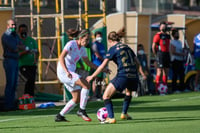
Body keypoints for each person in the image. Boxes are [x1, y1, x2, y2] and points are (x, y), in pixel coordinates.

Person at [87, 31, 146, 124]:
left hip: (123, 75)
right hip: (133, 75)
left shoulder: (113, 49)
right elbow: (137, 62)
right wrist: (141, 73)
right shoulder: (127, 47)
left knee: (106, 96)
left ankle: (111, 117)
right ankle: (124, 113)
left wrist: (92, 76)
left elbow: (102, 65)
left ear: (110, 40)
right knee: (128, 92)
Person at [55, 29, 108, 122]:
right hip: (64, 72)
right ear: (80, 38)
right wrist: (67, 71)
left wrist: (102, 68)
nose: (87, 42)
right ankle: (81, 110)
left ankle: (60, 116)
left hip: (70, 73)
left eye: (88, 40)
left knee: (76, 98)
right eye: (86, 39)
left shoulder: (83, 49)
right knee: (86, 85)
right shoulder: (71, 44)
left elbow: (88, 62)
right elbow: (61, 57)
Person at [1, 19, 28, 111]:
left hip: (15, 60)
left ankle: (12, 104)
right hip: (9, 60)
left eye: (14, 25)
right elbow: (15, 48)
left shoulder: (15, 35)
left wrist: (20, 47)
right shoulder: (6, 36)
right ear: (8, 26)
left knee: (14, 84)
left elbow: (22, 45)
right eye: (12, 25)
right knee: (10, 83)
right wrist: (20, 47)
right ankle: (8, 105)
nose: (14, 27)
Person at [18, 24, 39, 96]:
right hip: (23, 65)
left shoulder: (31, 40)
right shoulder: (18, 41)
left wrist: (35, 61)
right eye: (21, 31)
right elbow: (17, 55)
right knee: (28, 79)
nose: (23, 32)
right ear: (19, 32)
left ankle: (31, 97)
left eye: (24, 31)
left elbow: (36, 51)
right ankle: (26, 95)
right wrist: (24, 52)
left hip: (32, 65)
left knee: (32, 80)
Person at [152, 21, 171, 92]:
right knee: (159, 71)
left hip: (167, 54)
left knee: (166, 71)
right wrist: (156, 54)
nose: (163, 27)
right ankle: (157, 88)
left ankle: (164, 87)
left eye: (165, 26)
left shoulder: (167, 35)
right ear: (160, 27)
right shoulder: (158, 35)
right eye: (162, 26)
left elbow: (168, 46)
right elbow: (153, 46)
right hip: (160, 54)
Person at [170, 29, 187, 93]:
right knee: (175, 75)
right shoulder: (172, 42)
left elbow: (181, 49)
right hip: (175, 60)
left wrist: (184, 50)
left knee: (182, 74)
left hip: (180, 60)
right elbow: (173, 51)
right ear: (174, 35)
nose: (178, 35)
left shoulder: (179, 42)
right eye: (176, 34)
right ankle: (174, 89)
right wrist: (182, 54)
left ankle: (182, 88)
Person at [91, 31, 106, 100]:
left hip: (102, 65)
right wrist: (103, 60)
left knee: (100, 80)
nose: (99, 38)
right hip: (96, 64)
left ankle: (99, 95)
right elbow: (97, 54)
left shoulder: (102, 45)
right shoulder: (94, 44)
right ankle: (95, 95)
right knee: (96, 79)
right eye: (98, 36)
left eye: (100, 36)